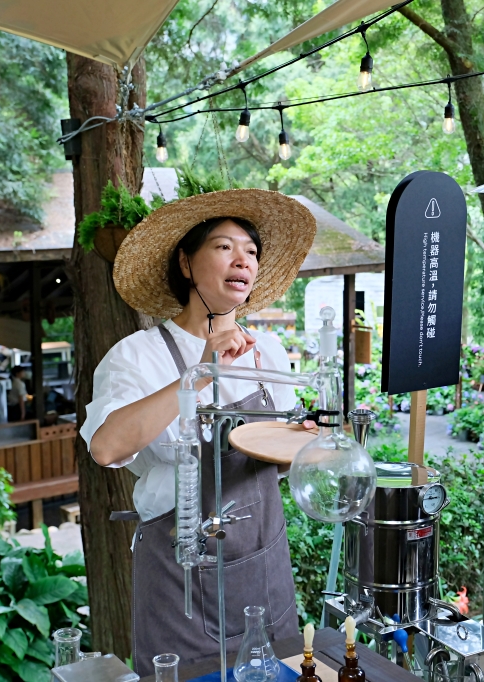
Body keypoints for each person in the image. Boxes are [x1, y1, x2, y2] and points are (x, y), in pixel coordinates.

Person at [80, 189, 317, 676]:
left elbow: (277, 456)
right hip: (181, 580)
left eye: (251, 251)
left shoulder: (267, 354)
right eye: (224, 246)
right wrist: (200, 372)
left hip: (264, 566)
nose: (243, 260)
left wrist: (303, 443)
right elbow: (106, 447)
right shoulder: (137, 356)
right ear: (186, 264)